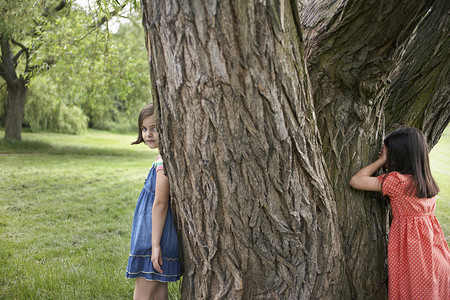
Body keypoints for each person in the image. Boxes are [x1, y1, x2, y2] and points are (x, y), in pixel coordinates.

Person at [349, 127, 449, 300]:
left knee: (413, 293)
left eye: (388, 153)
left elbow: (356, 180)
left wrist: (380, 161)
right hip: (435, 256)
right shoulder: (424, 181)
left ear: (399, 155)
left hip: (415, 255)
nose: (384, 156)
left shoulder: (398, 181)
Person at [126, 103, 181, 300]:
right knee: (158, 293)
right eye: (144, 128)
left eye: (154, 128)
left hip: (153, 238)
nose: (148, 134)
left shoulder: (163, 161)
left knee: (142, 295)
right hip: (161, 237)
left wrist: (155, 245)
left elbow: (160, 203)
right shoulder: (167, 157)